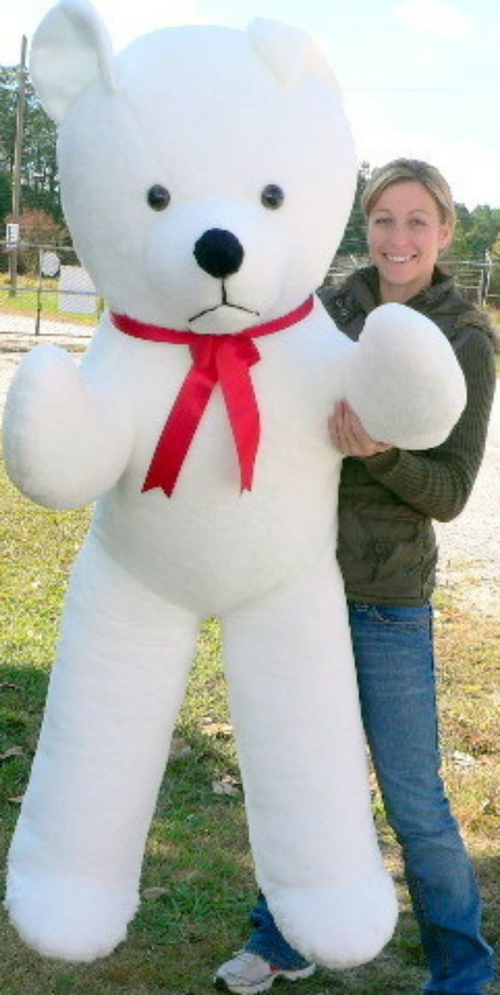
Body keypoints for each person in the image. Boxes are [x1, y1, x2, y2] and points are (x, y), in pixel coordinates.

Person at [214, 159, 497, 995]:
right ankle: (282, 937)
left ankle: (462, 969)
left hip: (385, 599)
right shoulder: (329, 309)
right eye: (383, 219)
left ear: (444, 232)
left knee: (414, 800)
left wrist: (380, 454)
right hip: (297, 585)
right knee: (302, 778)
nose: (397, 238)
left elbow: (450, 492)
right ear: (365, 227)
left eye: (416, 221)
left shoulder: (464, 337)